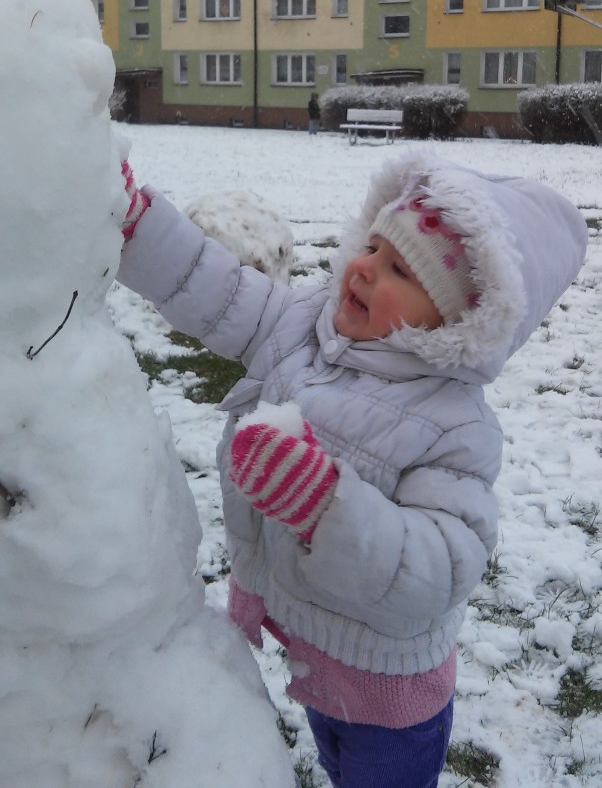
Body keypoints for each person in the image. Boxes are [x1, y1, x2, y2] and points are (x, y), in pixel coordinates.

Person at [117, 151, 587, 788]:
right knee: (332, 758)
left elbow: (441, 565)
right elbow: (217, 288)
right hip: (313, 653)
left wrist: (323, 506)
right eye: (372, 246)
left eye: (399, 269)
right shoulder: (305, 325)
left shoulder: (454, 427)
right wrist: (137, 224)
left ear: (455, 322)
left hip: (389, 698)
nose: (363, 268)